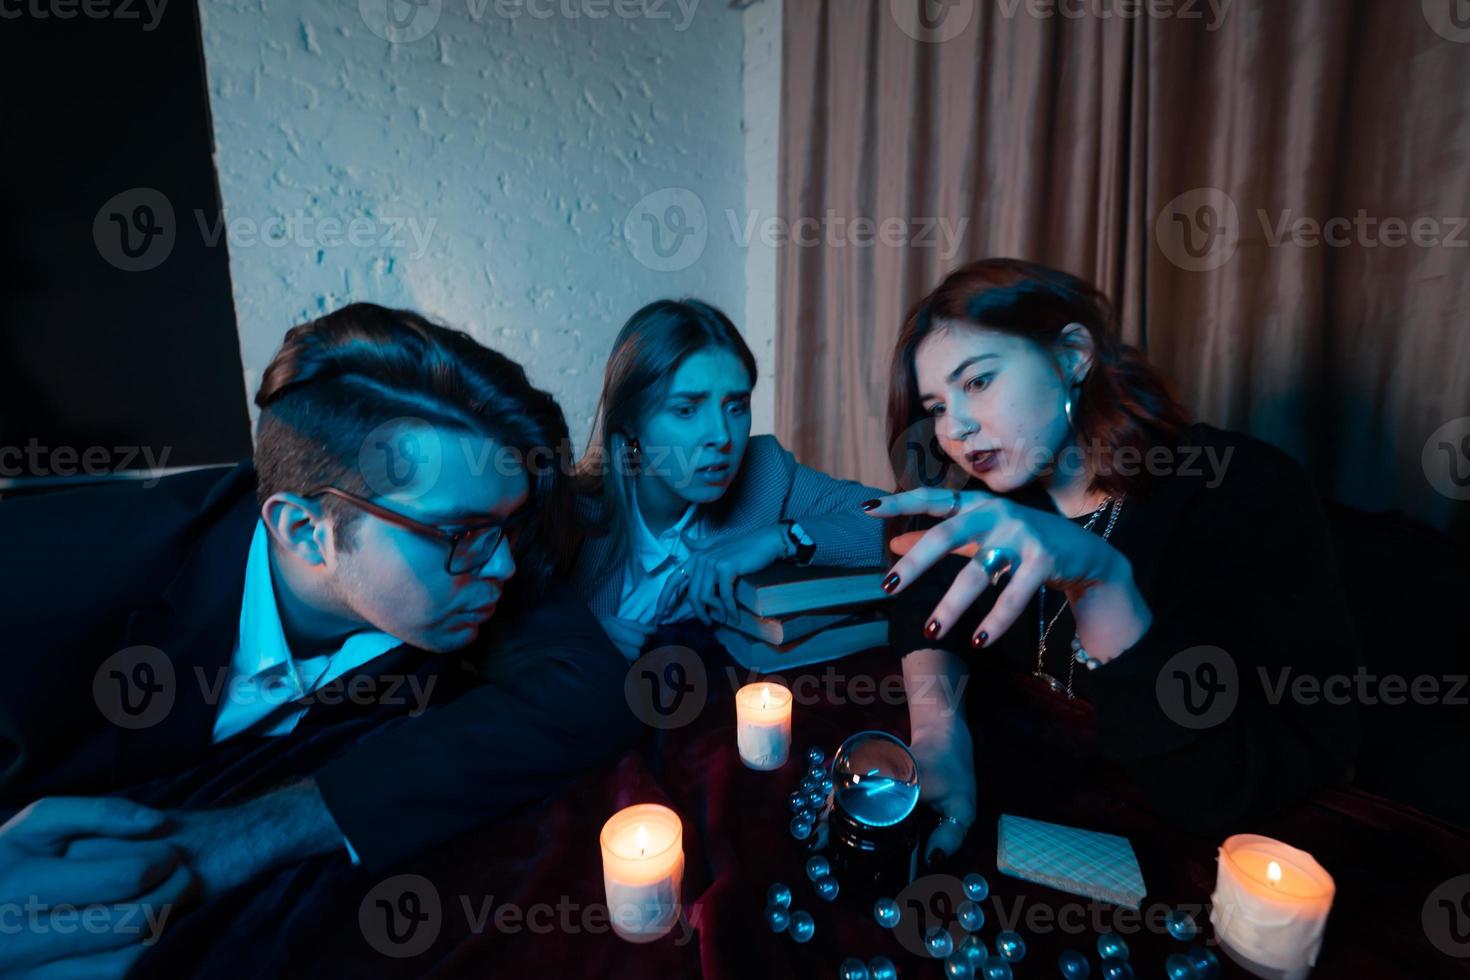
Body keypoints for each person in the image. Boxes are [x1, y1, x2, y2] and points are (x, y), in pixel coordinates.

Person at [0, 303, 640, 972]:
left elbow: (589, 688)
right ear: (305, 530)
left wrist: (251, 834)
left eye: (508, 525)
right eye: (460, 535)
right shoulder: (34, 583)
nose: (504, 565)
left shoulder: (488, 552)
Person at [861, 259, 1361, 864]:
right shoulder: (996, 491)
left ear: (1073, 355)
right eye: (936, 406)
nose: (957, 428)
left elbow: (1239, 783)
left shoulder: (1243, 490)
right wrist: (940, 738)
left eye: (978, 382)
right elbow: (922, 600)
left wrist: (1099, 582)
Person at [570, 299, 886, 660]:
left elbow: (902, 522)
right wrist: (577, 644)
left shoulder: (765, 474)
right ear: (630, 424)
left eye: (736, 407)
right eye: (686, 410)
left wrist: (779, 539)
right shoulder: (570, 515)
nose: (721, 436)